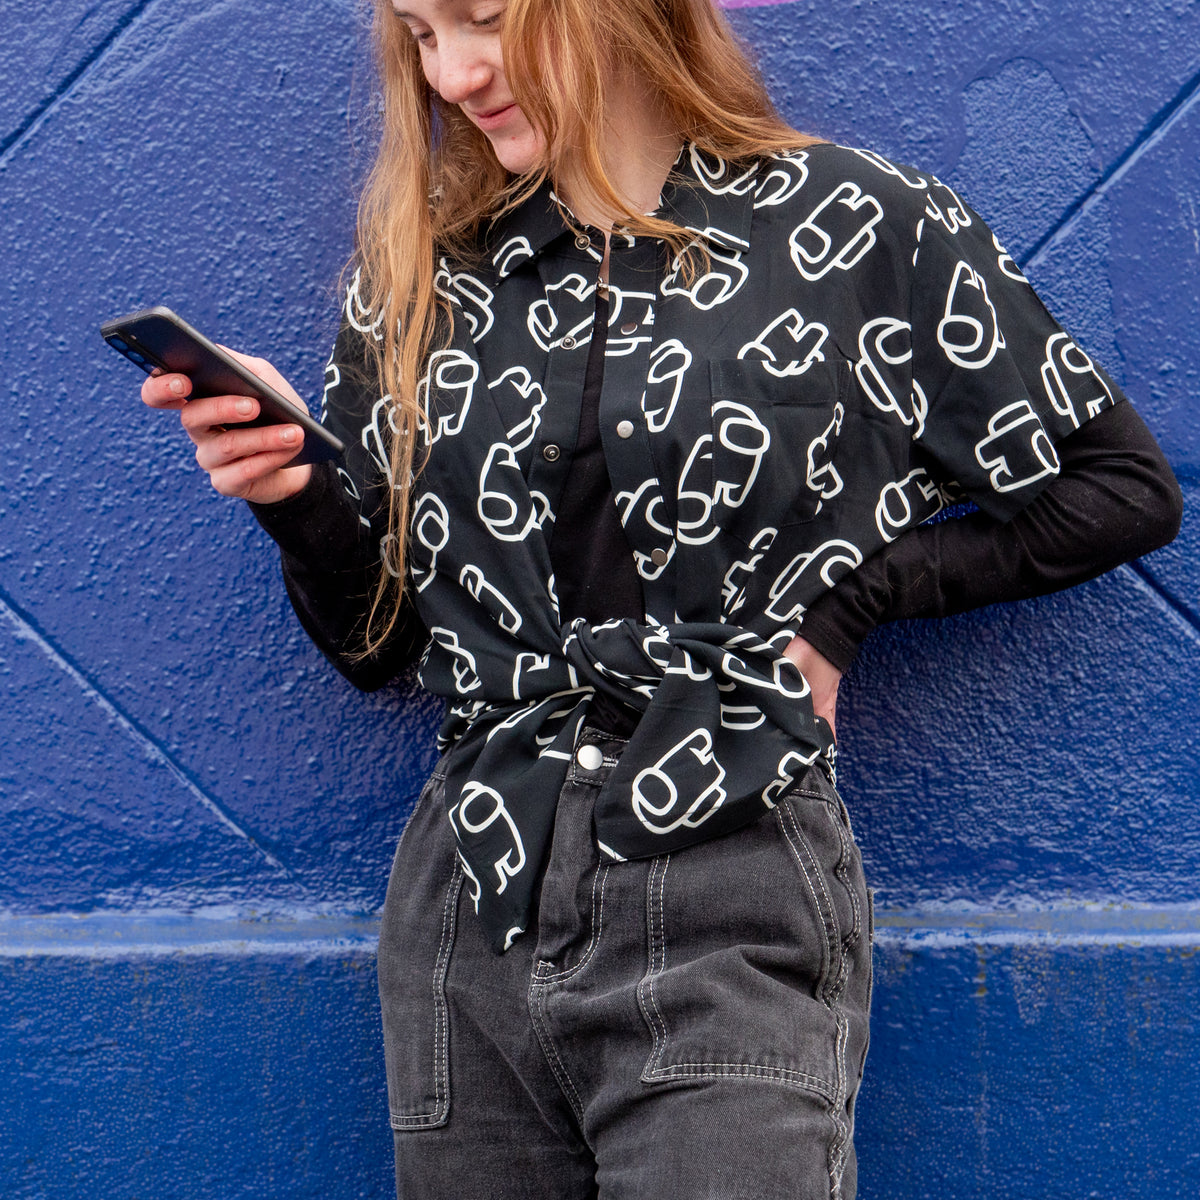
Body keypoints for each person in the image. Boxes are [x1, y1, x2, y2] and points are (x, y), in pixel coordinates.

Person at [140, 0, 1182, 1196]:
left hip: (726, 856)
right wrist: (295, 495)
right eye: (421, 37)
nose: (455, 71)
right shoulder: (427, 275)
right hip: (475, 893)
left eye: (480, 19)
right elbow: (382, 647)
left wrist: (846, 608)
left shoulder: (852, 224)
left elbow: (1120, 488)